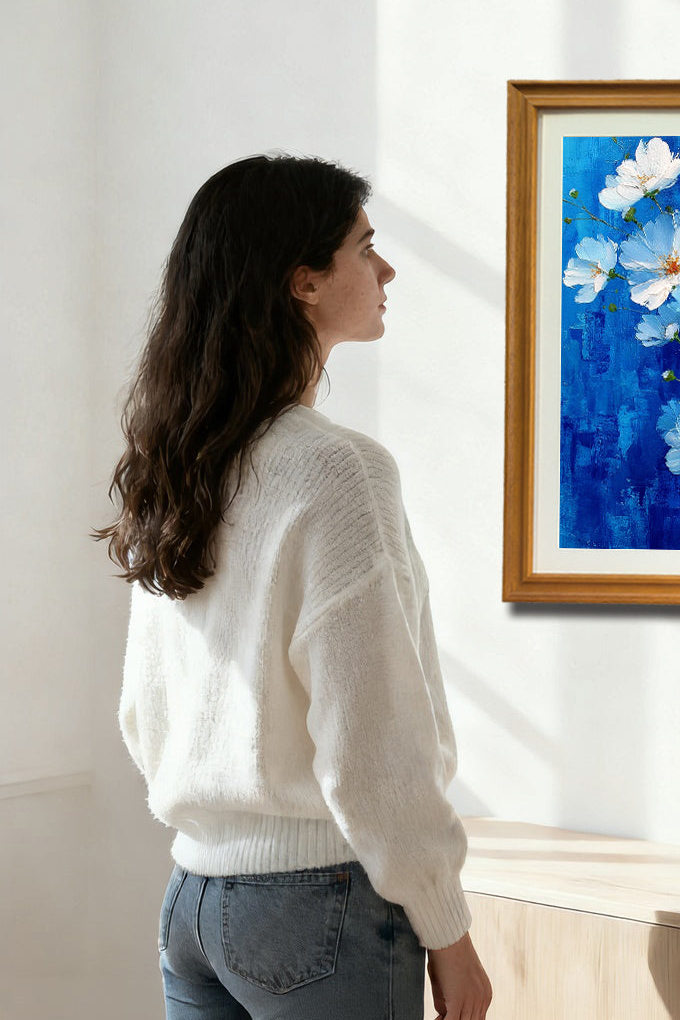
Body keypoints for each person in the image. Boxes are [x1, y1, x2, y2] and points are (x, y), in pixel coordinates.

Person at [93, 153, 492, 1020]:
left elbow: (142, 709)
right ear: (304, 283)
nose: (386, 271)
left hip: (193, 903)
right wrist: (448, 929)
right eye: (365, 248)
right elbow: (374, 734)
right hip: (322, 907)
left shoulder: (184, 465)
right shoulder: (337, 471)